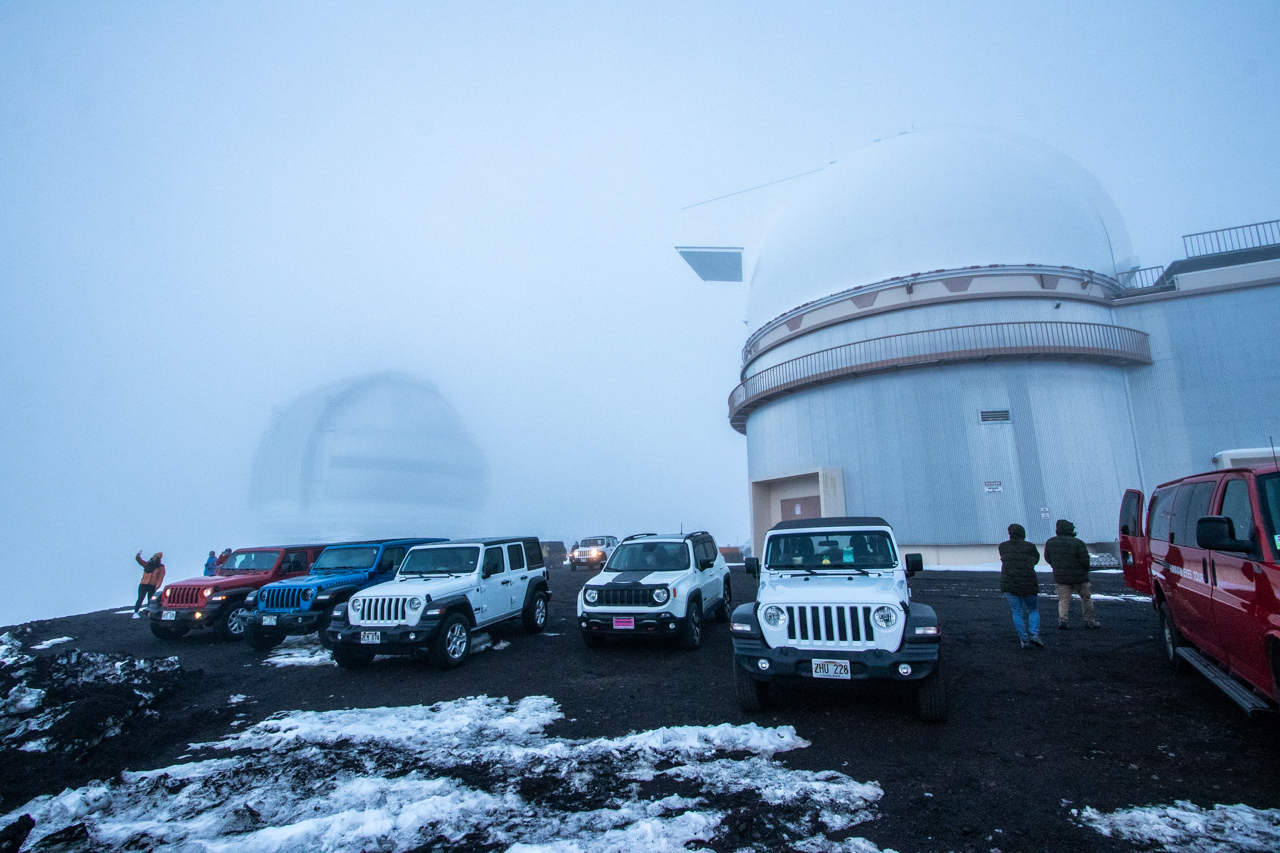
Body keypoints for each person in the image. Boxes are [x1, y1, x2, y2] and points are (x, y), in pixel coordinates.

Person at [1045, 519, 1099, 629]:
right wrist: (1084, 569)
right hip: (1080, 577)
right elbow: (1085, 560)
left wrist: (1056, 566)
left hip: (1061, 577)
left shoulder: (1051, 542)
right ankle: (1090, 621)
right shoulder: (1078, 543)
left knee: (1063, 600)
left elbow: (1048, 558)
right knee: (1086, 598)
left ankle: (1063, 620)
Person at [998, 523, 1043, 649]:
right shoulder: (1030, 547)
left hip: (1010, 583)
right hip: (1029, 582)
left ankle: (1023, 638)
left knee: (1017, 612)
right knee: (1033, 609)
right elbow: (1036, 560)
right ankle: (1034, 634)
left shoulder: (1003, 547)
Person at [133, 551, 166, 618]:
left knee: (150, 600)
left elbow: (160, 577)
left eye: (155, 557)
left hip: (152, 585)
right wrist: (138, 556)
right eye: (153, 557)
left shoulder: (161, 567)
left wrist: (157, 586)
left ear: (158, 559)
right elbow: (140, 561)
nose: (154, 558)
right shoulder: (148, 564)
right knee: (140, 598)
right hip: (143, 584)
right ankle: (136, 612)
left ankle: (148, 614)